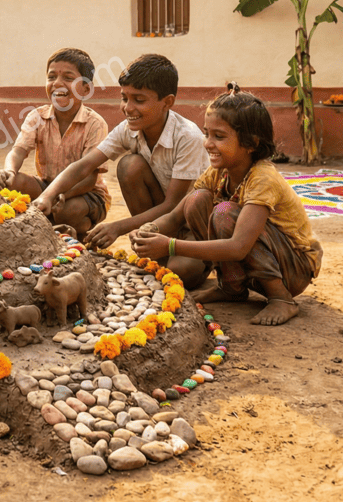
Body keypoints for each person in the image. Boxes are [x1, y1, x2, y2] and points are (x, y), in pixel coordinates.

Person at [130, 84, 323, 326]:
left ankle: (281, 298)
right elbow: (176, 216)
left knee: (224, 213)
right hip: (263, 261)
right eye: (207, 134)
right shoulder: (219, 172)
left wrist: (169, 246)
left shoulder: (263, 178)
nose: (208, 143)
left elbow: (238, 247)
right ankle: (231, 288)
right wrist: (148, 232)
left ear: (251, 143)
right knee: (196, 200)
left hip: (292, 269)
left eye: (219, 137)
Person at [33, 54, 208, 276]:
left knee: (182, 272)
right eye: (124, 98)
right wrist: (46, 196)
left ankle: (189, 254)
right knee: (129, 165)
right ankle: (157, 249)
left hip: (191, 221)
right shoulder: (128, 129)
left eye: (139, 100)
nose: (127, 108)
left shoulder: (187, 137)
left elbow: (173, 205)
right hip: (161, 219)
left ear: (167, 102)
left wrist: (118, 227)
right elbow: (84, 165)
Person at [0, 48, 111, 240]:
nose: (57, 83)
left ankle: (79, 227)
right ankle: (52, 222)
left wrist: (56, 195)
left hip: (85, 193)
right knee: (13, 183)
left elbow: (89, 179)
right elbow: (18, 151)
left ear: (86, 89)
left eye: (68, 78)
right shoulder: (36, 116)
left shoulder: (95, 124)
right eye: (51, 77)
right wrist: (9, 170)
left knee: (67, 211)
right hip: (46, 185)